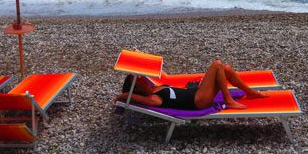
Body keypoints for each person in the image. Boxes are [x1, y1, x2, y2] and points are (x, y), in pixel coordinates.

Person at [114, 60, 268, 110]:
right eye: (138, 79)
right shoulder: (154, 98)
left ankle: (251, 92)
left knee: (225, 68)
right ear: (137, 87)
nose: (141, 77)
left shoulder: (155, 87)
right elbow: (138, 99)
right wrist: (125, 96)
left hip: (198, 92)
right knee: (217, 65)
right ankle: (228, 100)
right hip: (199, 101)